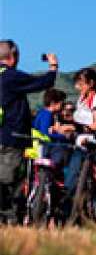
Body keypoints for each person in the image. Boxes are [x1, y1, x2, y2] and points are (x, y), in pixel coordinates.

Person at [0, 40, 58, 222]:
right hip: (12, 138)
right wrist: (53, 65)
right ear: (13, 56)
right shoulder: (10, 77)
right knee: (8, 182)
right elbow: (44, 82)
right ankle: (9, 220)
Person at [62, 68, 96, 214]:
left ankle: (94, 213)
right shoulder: (81, 100)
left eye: (81, 84)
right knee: (70, 181)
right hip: (80, 144)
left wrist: (77, 128)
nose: (77, 87)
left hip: (94, 145)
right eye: (77, 84)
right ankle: (68, 215)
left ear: (91, 83)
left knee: (87, 183)